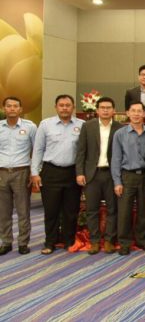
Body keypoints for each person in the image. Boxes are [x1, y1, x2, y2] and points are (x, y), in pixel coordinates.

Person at [31, 95, 85, 255]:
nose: (64, 108)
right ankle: (50, 241)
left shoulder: (82, 125)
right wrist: (35, 172)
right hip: (51, 171)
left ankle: (68, 240)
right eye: (61, 105)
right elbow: (38, 150)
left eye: (68, 105)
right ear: (56, 107)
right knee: (51, 210)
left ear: (73, 107)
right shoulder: (45, 124)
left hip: (73, 172)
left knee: (71, 210)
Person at [75, 96, 122, 255]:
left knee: (113, 209)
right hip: (92, 174)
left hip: (111, 174)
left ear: (114, 110)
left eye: (108, 108)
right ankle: (94, 241)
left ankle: (109, 240)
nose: (105, 110)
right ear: (97, 110)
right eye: (102, 108)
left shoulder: (119, 128)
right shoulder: (88, 126)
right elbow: (81, 151)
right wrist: (79, 172)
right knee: (92, 209)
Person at [111, 101, 145, 256]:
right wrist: (117, 182)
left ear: (144, 114)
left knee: (144, 210)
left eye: (139, 111)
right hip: (127, 176)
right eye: (133, 111)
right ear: (127, 113)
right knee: (124, 211)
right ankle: (124, 243)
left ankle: (142, 240)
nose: (136, 114)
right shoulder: (120, 134)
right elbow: (116, 159)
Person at [0, 97, 37, 256]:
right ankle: (6, 242)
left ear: (21, 109)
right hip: (2, 172)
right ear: (4, 108)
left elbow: (37, 150)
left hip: (22, 172)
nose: (12, 109)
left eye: (15, 106)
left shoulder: (30, 127)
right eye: (9, 106)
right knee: (3, 211)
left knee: (23, 210)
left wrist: (34, 172)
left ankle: (23, 242)